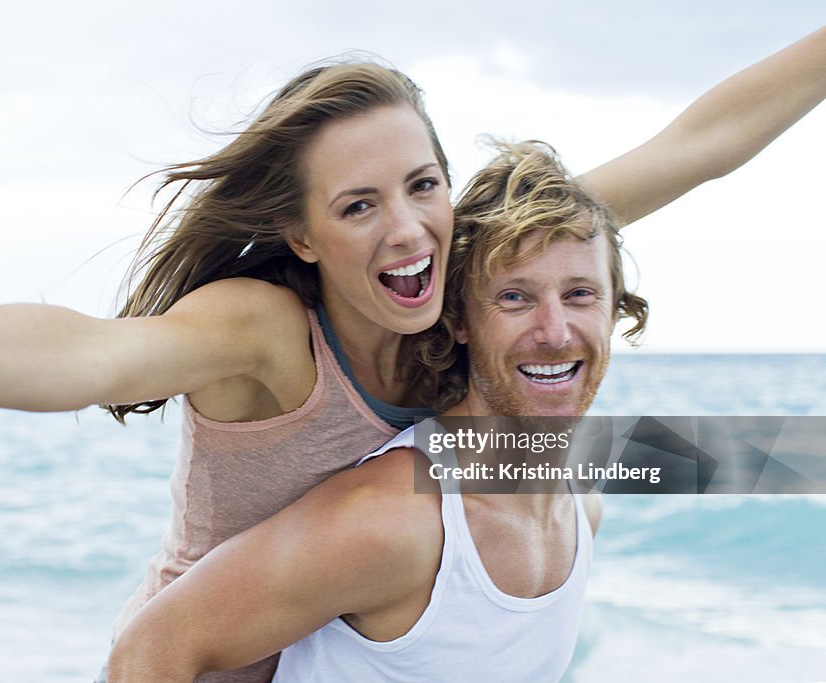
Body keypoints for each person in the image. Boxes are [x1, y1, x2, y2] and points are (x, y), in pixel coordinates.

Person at [0, 25, 825, 683]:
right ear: (301, 234)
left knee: (741, 454)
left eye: (423, 184)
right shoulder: (266, 330)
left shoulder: (452, 263)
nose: (409, 230)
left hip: (356, 620)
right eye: (357, 206)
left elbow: (697, 143)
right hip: (201, 656)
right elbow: (89, 356)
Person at [104, 141, 640, 682]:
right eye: (513, 299)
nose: (554, 332)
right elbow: (152, 647)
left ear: (615, 310)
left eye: (579, 295)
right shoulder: (390, 522)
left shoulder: (581, 508)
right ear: (460, 322)